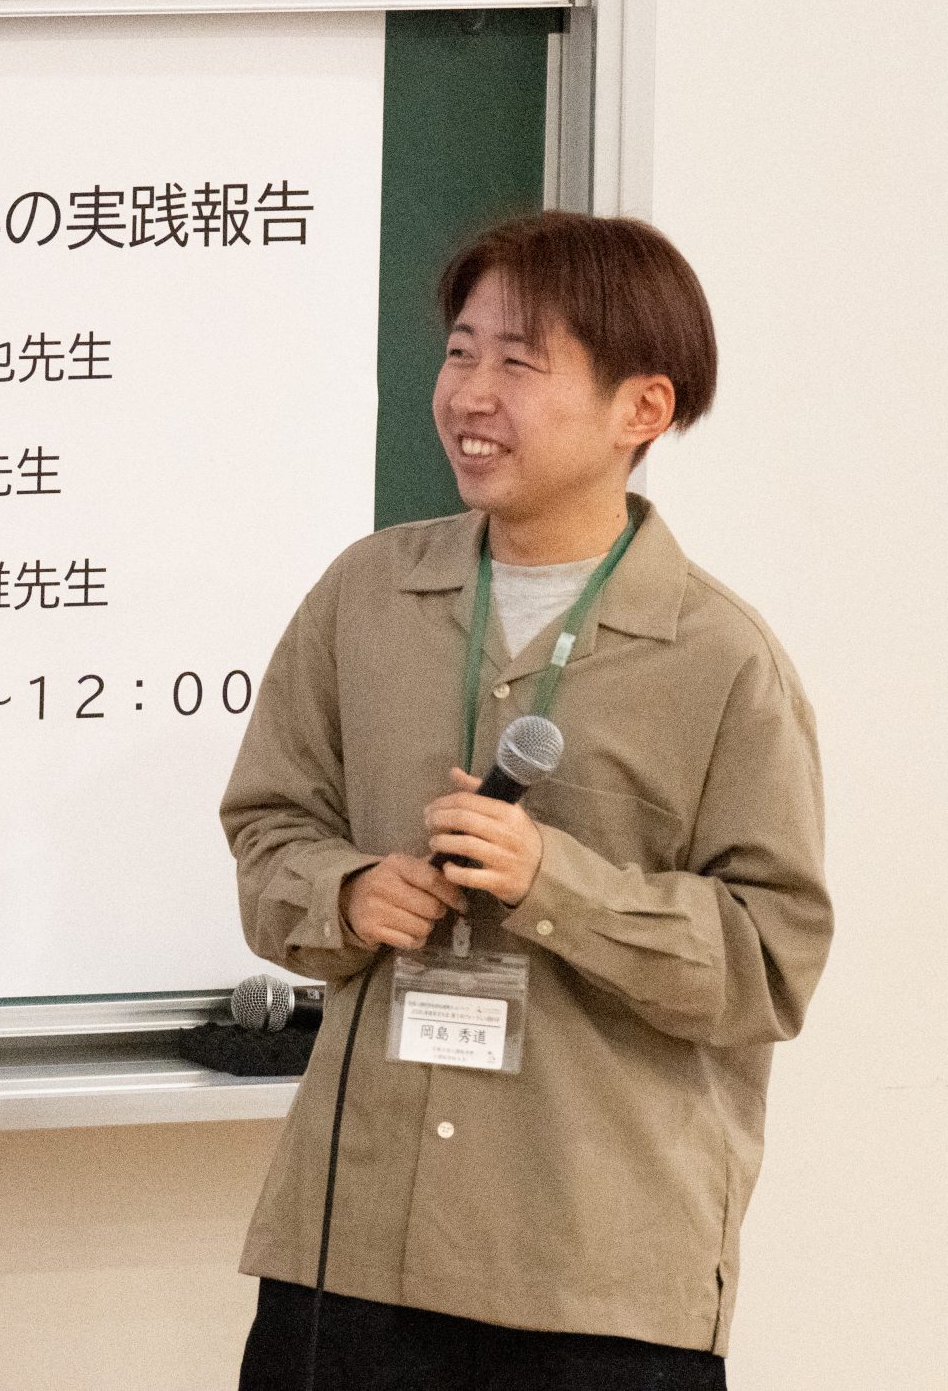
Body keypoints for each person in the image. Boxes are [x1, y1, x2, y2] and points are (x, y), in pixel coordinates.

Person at [221, 213, 830, 1388]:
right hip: (353, 1249)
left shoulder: (720, 658)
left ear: (641, 408)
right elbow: (267, 827)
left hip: (596, 1274)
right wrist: (345, 893)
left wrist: (557, 885)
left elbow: (770, 961)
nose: (469, 393)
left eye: (518, 361)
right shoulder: (366, 595)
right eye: (459, 352)